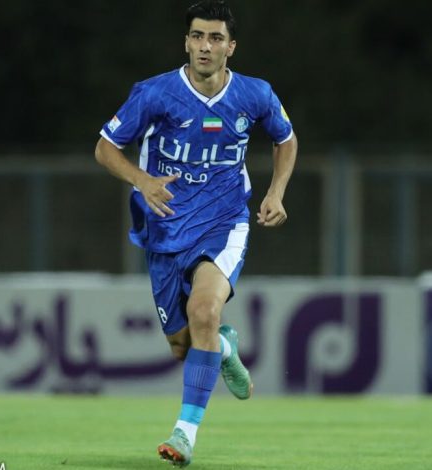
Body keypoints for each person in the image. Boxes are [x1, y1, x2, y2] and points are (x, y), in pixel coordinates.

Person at [94, 1, 297, 466]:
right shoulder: (154, 93)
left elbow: (285, 139)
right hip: (164, 226)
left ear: (231, 47)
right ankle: (224, 346)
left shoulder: (255, 94)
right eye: (198, 36)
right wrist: (142, 180)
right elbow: (105, 148)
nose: (205, 46)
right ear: (186, 41)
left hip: (224, 222)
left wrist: (276, 192)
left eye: (215, 38)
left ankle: (184, 434)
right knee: (183, 345)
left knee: (204, 309)